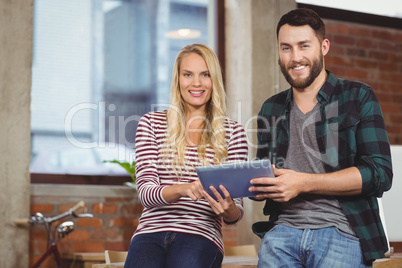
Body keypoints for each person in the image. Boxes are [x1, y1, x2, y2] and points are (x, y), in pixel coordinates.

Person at [249, 8, 393, 267]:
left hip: (342, 231)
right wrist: (247, 186)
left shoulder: (357, 97)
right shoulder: (270, 108)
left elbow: (379, 174)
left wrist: (303, 183)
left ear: (324, 46)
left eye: (304, 46)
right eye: (286, 48)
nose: (295, 57)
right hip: (281, 233)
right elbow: (262, 177)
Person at [124, 43, 248, 268]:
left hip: (201, 233)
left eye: (205, 75)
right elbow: (145, 193)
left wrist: (227, 207)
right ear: (178, 79)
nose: (196, 83)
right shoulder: (151, 124)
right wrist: (183, 188)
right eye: (188, 74)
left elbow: (235, 214)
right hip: (151, 232)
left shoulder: (234, 133)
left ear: (214, 81)